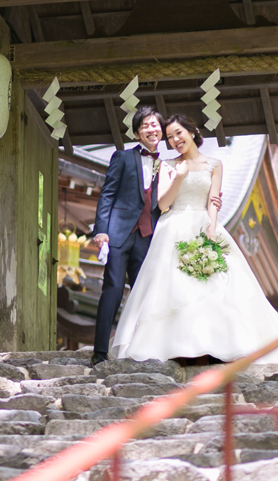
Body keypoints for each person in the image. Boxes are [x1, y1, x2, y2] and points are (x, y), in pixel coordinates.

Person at [109, 114, 278, 363]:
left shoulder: (215, 164)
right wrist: (179, 177)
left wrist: (212, 227)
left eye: (178, 133)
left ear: (191, 131)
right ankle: (178, 347)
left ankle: (218, 344)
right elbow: (163, 203)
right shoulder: (167, 165)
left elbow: (213, 200)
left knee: (217, 284)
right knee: (172, 287)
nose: (175, 140)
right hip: (172, 227)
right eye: (170, 137)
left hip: (204, 224)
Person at [88, 106, 221, 366]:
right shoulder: (122, 158)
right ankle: (100, 351)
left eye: (155, 126)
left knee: (147, 294)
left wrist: (211, 199)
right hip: (119, 232)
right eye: (146, 126)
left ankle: (142, 347)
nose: (152, 129)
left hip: (150, 236)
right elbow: (107, 194)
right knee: (113, 288)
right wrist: (101, 230)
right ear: (138, 132)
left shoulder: (169, 164)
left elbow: (181, 192)